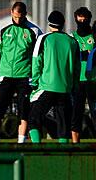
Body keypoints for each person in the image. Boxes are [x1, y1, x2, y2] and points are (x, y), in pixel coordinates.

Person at [0, 2, 43, 143]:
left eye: (20, 17)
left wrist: (35, 76)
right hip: (5, 76)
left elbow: (38, 56)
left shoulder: (35, 31)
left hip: (25, 77)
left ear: (25, 15)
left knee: (24, 111)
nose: (18, 20)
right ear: (11, 13)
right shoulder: (2, 30)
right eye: (15, 17)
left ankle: (22, 141)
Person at [28, 11, 80, 143]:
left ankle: (36, 149)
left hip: (47, 87)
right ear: (63, 24)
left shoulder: (44, 39)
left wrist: (34, 82)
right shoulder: (72, 41)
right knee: (63, 124)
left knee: (33, 119)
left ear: (49, 23)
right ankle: (63, 155)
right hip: (65, 89)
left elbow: (36, 61)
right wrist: (73, 85)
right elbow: (77, 67)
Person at [70, 7, 96, 143]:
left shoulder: (94, 36)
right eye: (79, 18)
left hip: (92, 80)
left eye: (84, 18)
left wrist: (86, 54)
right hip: (77, 80)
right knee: (76, 112)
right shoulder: (72, 36)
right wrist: (85, 54)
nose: (82, 20)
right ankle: (75, 142)